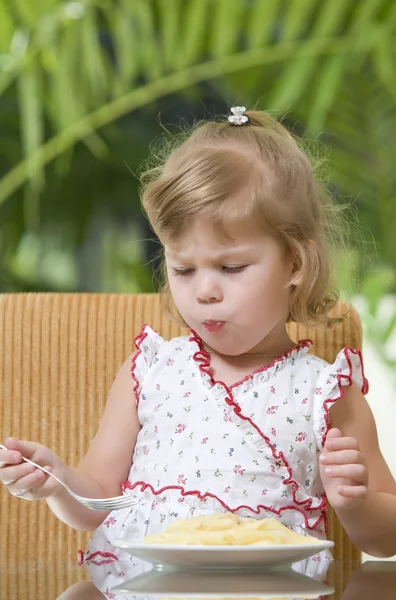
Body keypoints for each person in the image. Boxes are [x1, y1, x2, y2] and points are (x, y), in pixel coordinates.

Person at [1, 108, 396, 596]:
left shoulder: (325, 391)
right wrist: (57, 482)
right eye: (184, 269)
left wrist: (355, 502)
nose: (204, 291)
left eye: (231, 268)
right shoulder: (151, 372)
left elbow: (386, 539)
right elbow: (98, 501)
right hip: (139, 590)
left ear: (294, 262)